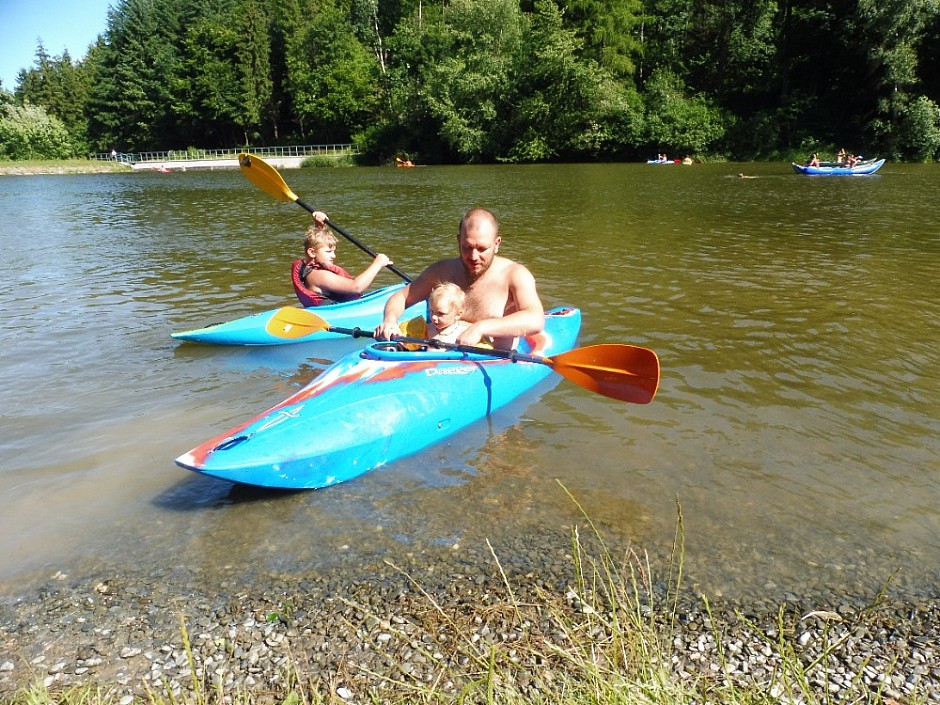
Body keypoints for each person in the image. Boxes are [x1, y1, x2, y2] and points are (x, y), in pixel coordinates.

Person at [375, 207, 543, 350]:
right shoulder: (442, 270)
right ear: (458, 241)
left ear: (497, 244)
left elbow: (535, 320)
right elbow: (402, 297)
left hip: (490, 361)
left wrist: (481, 327)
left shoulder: (515, 274)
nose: (474, 256)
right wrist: (390, 320)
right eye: (467, 247)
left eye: (482, 248)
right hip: (440, 357)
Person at [295, 211, 392, 305]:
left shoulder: (308, 269)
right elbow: (356, 287)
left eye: (333, 251)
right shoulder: (319, 276)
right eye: (328, 252)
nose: (333, 255)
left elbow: (317, 245)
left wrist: (319, 225)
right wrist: (378, 263)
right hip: (334, 316)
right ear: (311, 252)